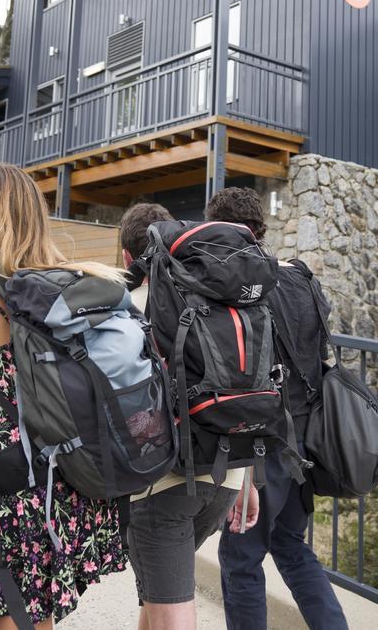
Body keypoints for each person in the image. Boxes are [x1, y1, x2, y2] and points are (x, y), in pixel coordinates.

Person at [0, 164, 128, 629]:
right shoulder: (70, 283)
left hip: (7, 474)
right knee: (34, 609)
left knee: (8, 608)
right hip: (69, 470)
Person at [206, 187, 349, 629]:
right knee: (291, 544)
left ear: (220, 229)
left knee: (241, 556)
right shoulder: (303, 277)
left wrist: (243, 463)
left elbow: (245, 379)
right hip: (308, 441)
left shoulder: (242, 286)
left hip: (265, 445)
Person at [117, 202, 260, 630]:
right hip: (227, 480)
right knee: (158, 600)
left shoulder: (130, 306)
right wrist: (249, 477)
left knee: (171, 614)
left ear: (127, 256)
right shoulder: (217, 301)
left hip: (163, 486)